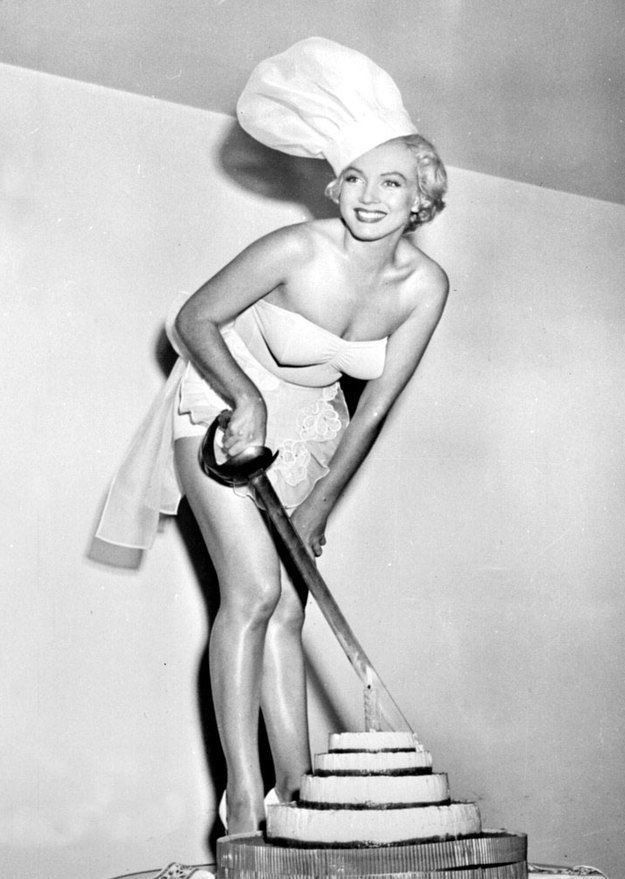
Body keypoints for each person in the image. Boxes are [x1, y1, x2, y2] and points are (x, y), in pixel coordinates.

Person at [95, 38, 448, 835]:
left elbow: (374, 407)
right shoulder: (298, 248)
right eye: (354, 177)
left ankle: (301, 791)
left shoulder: (426, 287)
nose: (367, 197)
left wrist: (321, 502)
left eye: (391, 181)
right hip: (221, 406)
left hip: (313, 427)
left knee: (289, 608)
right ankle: (245, 799)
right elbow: (193, 319)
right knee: (252, 592)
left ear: (421, 198)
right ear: (335, 183)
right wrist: (246, 395)